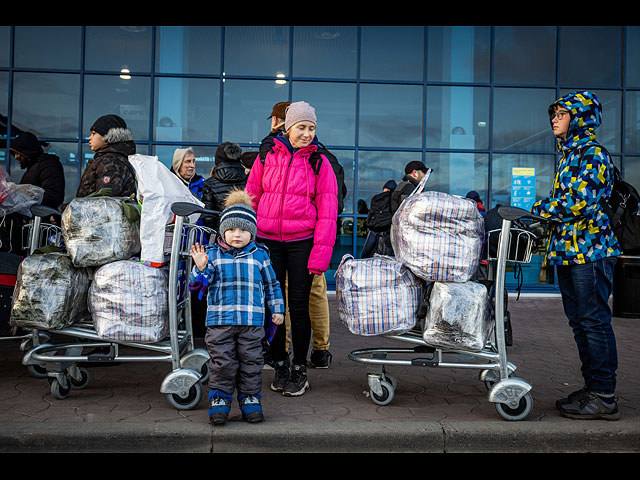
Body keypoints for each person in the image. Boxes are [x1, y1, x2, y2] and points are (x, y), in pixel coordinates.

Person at [530, 91, 621, 420]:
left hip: (591, 251)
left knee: (594, 322)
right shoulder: (569, 155)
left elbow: (579, 202)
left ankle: (604, 396)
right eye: (553, 113)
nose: (554, 119)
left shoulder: (592, 154)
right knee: (581, 323)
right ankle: (593, 387)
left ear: (581, 117)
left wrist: (536, 210)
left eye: (562, 113)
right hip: (571, 252)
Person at [246, 101, 338, 395]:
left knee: (299, 307)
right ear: (288, 127)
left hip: (302, 243)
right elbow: (252, 197)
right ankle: (279, 362)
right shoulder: (267, 155)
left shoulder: (319, 162)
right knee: (275, 307)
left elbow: (327, 211)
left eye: (311, 128)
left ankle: (299, 367)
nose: (307, 133)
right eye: (302, 127)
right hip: (269, 241)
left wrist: (320, 254)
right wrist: (248, 241)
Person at [189, 189, 284, 425]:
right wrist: (200, 267)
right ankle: (220, 400)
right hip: (219, 323)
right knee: (222, 362)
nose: (237, 235)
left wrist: (278, 309)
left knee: (251, 362)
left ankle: (250, 399)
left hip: (251, 322)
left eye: (243, 230)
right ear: (223, 231)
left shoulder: (260, 255)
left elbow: (272, 284)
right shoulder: (211, 254)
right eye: (231, 230)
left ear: (251, 233)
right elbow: (196, 286)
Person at [76, 114, 136, 198]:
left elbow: (104, 204)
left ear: (108, 136)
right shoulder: (108, 159)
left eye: (94, 133)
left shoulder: (111, 163)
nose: (90, 138)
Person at [9, 131, 65, 209]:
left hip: (42, 217)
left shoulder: (48, 165)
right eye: (14, 153)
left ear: (28, 150)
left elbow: (53, 196)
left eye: (18, 152)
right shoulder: (33, 167)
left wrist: (26, 200)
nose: (16, 157)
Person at [201, 142, 247, 231]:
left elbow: (208, 216)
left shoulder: (210, 183)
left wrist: (216, 234)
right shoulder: (249, 180)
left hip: (220, 233)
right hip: (245, 232)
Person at [361, 179, 396, 258]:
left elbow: (370, 241)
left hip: (378, 251)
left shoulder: (378, 204)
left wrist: (364, 256)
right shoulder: (395, 205)